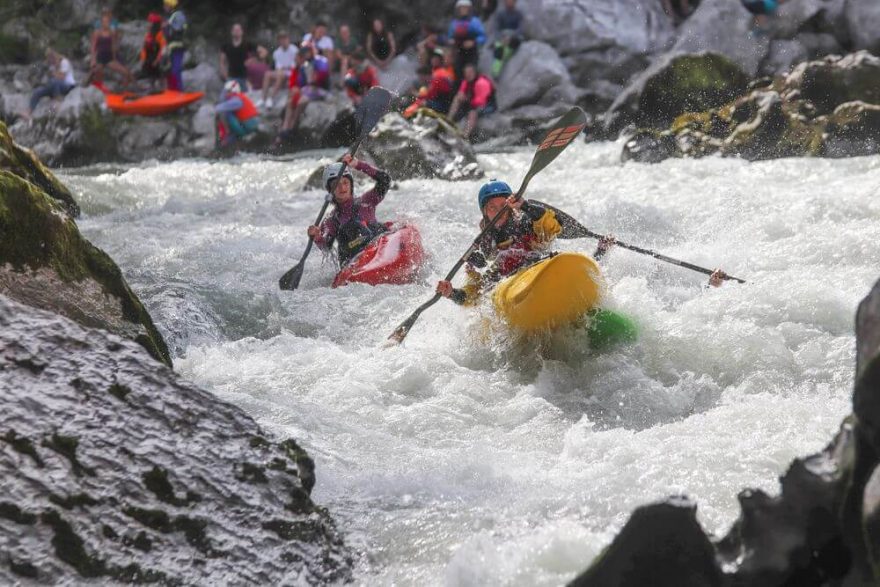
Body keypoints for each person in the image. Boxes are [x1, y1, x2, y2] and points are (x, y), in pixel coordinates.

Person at [435, 180, 566, 305]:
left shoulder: (526, 222)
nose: (499, 212)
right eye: (492, 207)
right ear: (484, 212)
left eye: (503, 206)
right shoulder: (481, 246)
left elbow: (555, 227)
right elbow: (472, 296)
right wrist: (451, 293)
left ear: (510, 207)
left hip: (538, 272)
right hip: (509, 290)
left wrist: (525, 206)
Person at [307, 154, 392, 265]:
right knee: (348, 228)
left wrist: (358, 164)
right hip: (355, 261)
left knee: (375, 227)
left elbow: (385, 180)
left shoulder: (366, 202)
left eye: (345, 182)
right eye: (336, 184)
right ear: (330, 190)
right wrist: (317, 237)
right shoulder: (331, 220)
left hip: (378, 249)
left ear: (351, 185)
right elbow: (326, 246)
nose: (342, 188)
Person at [276, 43, 330, 143]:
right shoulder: (304, 65)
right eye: (305, 53)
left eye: (308, 52)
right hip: (307, 88)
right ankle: (285, 128)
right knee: (290, 101)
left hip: (320, 89)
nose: (307, 55)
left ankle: (293, 126)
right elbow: (301, 82)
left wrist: (315, 78)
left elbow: (323, 74)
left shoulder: (320, 60)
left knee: (301, 101)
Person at [22, 48, 76, 121]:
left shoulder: (64, 62)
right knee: (38, 92)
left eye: (51, 58)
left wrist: (52, 73)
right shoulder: (51, 66)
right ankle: (29, 111)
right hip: (55, 86)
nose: (50, 61)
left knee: (54, 82)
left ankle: (57, 101)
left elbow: (62, 77)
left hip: (67, 86)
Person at [447, 63, 496, 139]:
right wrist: (462, 96)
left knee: (472, 113)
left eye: (470, 72)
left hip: (488, 105)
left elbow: (481, 101)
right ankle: (448, 119)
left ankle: (465, 135)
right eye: (466, 73)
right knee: (457, 98)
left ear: (475, 72)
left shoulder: (482, 82)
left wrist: (467, 100)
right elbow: (461, 92)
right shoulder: (466, 82)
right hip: (472, 103)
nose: (468, 75)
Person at [404, 49, 455, 117]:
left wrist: (414, 93)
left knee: (421, 102)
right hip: (436, 101)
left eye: (421, 78)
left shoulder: (437, 78)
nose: (421, 80)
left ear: (426, 76)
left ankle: (408, 116)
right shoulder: (434, 77)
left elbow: (428, 96)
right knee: (415, 101)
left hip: (443, 107)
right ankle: (406, 115)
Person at [89, 10, 133, 89]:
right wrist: (93, 60)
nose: (106, 24)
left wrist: (115, 58)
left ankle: (124, 89)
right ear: (101, 23)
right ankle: (98, 88)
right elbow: (93, 47)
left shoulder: (111, 32)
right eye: (104, 22)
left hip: (109, 58)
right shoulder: (97, 32)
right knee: (98, 74)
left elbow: (113, 45)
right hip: (100, 57)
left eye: (108, 22)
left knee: (125, 72)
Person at [447, 0, 486, 80]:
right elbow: (449, 36)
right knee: (458, 72)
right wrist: (451, 41)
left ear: (469, 9)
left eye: (465, 8)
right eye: (461, 8)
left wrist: (474, 42)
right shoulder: (454, 23)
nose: (463, 10)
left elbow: (482, 36)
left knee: (470, 72)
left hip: (471, 52)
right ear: (458, 9)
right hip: (459, 51)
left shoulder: (474, 21)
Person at [215, 80, 260, 147]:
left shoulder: (235, 99)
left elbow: (221, 108)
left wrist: (214, 109)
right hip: (254, 124)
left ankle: (229, 134)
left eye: (227, 91)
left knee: (226, 114)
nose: (225, 93)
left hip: (249, 127)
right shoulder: (241, 96)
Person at [260, 32, 297, 109]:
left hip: (292, 73)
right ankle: (263, 99)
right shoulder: (276, 52)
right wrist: (283, 68)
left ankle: (271, 98)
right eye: (281, 39)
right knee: (267, 74)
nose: (283, 41)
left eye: (285, 39)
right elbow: (278, 67)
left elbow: (294, 66)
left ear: (288, 39)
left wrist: (284, 68)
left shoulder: (294, 50)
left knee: (280, 74)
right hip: (281, 72)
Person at [491, 0, 524, 78]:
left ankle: (505, 55)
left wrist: (511, 36)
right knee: (499, 49)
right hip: (502, 37)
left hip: (513, 38)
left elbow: (520, 29)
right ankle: (495, 72)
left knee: (514, 43)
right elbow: (496, 29)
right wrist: (501, 38)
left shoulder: (519, 14)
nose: (510, 2)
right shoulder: (500, 14)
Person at [220, 23, 254, 90]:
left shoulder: (247, 44)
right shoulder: (226, 46)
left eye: (238, 30)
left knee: (246, 97)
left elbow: (261, 54)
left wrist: (251, 60)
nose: (236, 31)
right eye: (235, 30)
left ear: (242, 32)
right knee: (224, 98)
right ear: (231, 32)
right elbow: (222, 62)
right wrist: (225, 75)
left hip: (245, 78)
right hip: (231, 77)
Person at [138, 13, 167, 92]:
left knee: (160, 73)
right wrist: (143, 59)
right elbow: (144, 48)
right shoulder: (148, 34)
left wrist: (157, 60)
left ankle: (164, 89)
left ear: (155, 24)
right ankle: (152, 89)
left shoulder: (160, 35)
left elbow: (163, 49)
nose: (148, 24)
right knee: (150, 74)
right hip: (150, 59)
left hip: (157, 59)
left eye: (150, 22)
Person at [163, 0, 187, 91]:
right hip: (169, 48)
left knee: (175, 71)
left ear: (171, 5)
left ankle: (179, 91)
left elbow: (178, 29)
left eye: (166, 4)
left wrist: (168, 25)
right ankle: (171, 91)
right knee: (168, 71)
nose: (164, 6)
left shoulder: (178, 15)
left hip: (177, 47)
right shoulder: (169, 16)